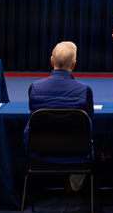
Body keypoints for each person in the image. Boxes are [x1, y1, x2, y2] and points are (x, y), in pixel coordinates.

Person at [23, 41, 93, 194]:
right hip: (77, 154)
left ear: (51, 61)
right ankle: (76, 186)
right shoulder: (84, 90)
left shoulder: (34, 88)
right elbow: (89, 119)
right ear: (73, 65)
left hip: (39, 153)